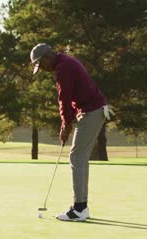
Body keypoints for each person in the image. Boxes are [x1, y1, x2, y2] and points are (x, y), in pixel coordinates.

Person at [30, 43, 111, 221]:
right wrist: (68, 121)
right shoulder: (65, 63)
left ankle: (79, 208)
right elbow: (72, 97)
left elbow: (64, 99)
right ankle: (82, 207)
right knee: (80, 156)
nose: (42, 70)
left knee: (76, 156)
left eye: (40, 65)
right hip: (92, 110)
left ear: (45, 58)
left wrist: (65, 124)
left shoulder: (63, 68)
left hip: (92, 111)